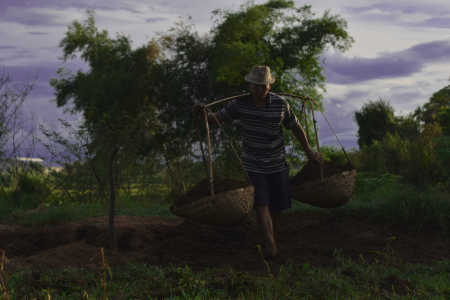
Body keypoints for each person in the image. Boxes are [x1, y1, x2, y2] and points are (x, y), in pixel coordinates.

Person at [194, 65, 324, 259]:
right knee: (261, 204)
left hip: (277, 163)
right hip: (253, 164)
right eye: (256, 85)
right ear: (249, 84)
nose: (259, 90)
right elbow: (216, 118)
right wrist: (203, 113)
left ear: (270, 86)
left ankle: (272, 240)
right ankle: (271, 245)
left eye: (263, 86)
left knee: (277, 206)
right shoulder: (239, 105)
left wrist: (309, 152)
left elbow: (296, 127)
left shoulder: (281, 104)